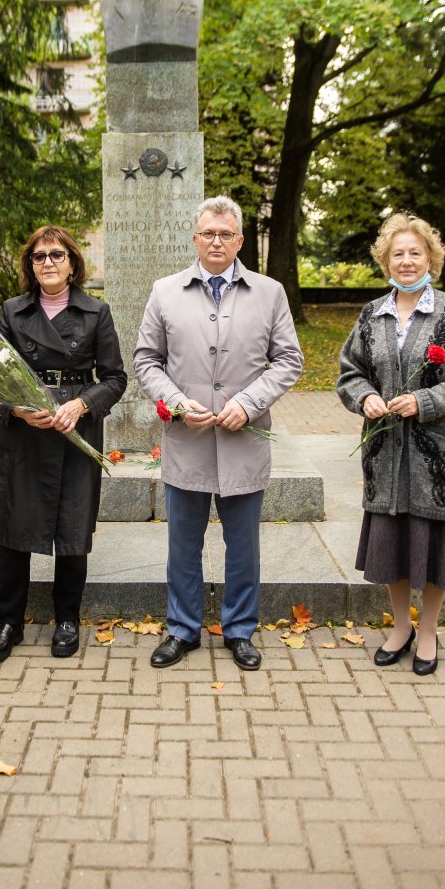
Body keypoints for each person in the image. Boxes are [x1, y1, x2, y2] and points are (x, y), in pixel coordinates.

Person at [134, 196, 303, 670]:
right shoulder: (165, 291)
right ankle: (182, 629)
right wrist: (175, 403)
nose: (216, 241)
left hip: (242, 441)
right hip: (186, 440)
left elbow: (290, 360)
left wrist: (248, 404)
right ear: (194, 238)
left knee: (243, 545)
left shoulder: (269, 293)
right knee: (182, 544)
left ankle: (240, 630)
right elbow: (147, 360)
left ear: (240, 241)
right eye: (208, 233)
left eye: (226, 234)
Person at [337, 212, 445, 676]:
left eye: (415, 253)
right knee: (394, 542)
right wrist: (364, 398)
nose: (406, 261)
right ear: (386, 259)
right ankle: (401, 626)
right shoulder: (371, 314)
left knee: (434, 541)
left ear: (431, 259)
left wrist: (422, 401)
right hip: (385, 453)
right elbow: (350, 371)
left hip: (438, 454)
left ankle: (428, 631)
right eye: (398, 253)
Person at [0, 226, 127, 663]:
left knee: (73, 527)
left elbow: (115, 378)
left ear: (72, 263)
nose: (47, 263)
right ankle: (8, 623)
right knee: (14, 528)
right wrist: (17, 409)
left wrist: (80, 405)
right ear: (30, 265)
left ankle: (66, 619)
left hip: (73, 430)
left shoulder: (96, 312)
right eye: (39, 257)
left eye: (56, 255)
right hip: (24, 431)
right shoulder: (13, 310)